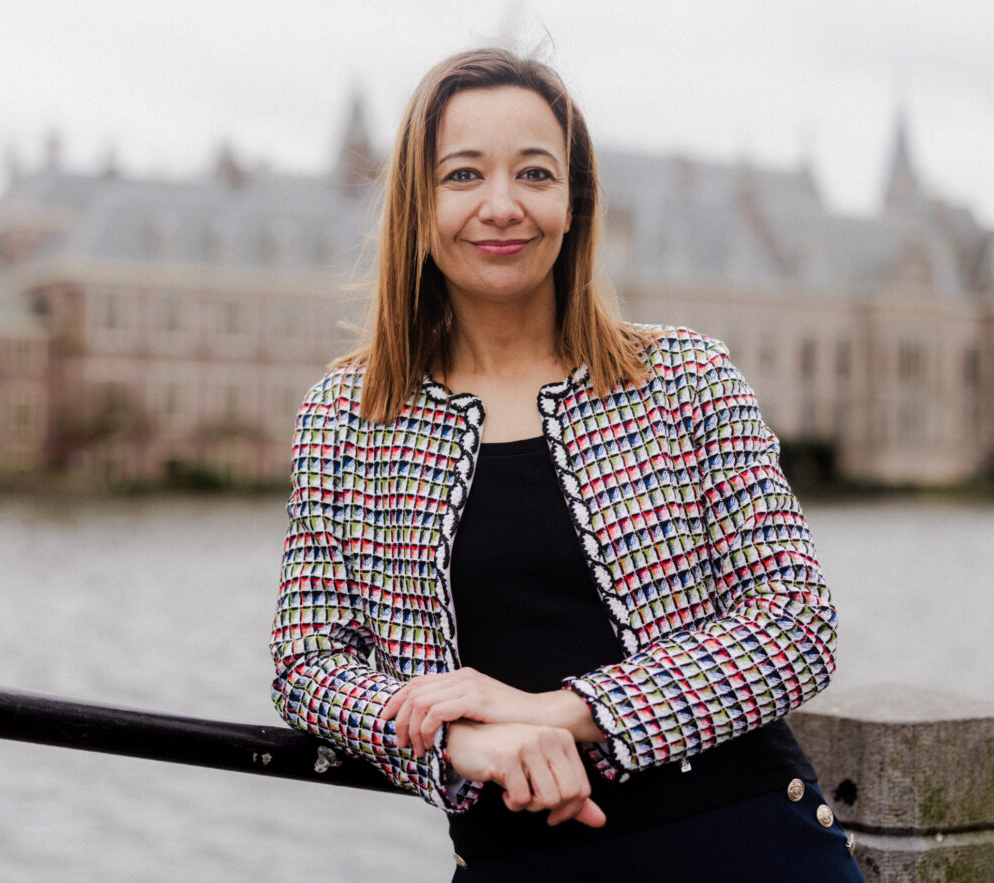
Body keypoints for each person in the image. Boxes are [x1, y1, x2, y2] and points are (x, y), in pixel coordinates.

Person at [270, 48, 863, 881]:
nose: (502, 205)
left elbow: (796, 623)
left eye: (535, 174)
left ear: (575, 202)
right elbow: (307, 665)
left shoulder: (687, 377)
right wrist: (459, 739)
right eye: (464, 174)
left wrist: (563, 710)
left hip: (749, 846)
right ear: (416, 203)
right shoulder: (347, 418)